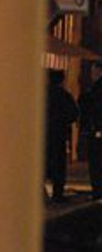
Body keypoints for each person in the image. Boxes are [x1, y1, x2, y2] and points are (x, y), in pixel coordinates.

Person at [46, 69, 79, 204]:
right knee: (58, 164)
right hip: (58, 134)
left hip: (43, 134)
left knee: (43, 162)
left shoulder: (41, 95)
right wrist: (63, 122)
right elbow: (74, 113)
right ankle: (57, 193)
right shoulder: (64, 95)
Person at [79, 62, 102, 199]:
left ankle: (97, 190)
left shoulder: (95, 90)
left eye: (93, 72)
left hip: (96, 130)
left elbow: (88, 106)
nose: (91, 75)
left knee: (96, 162)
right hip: (96, 129)